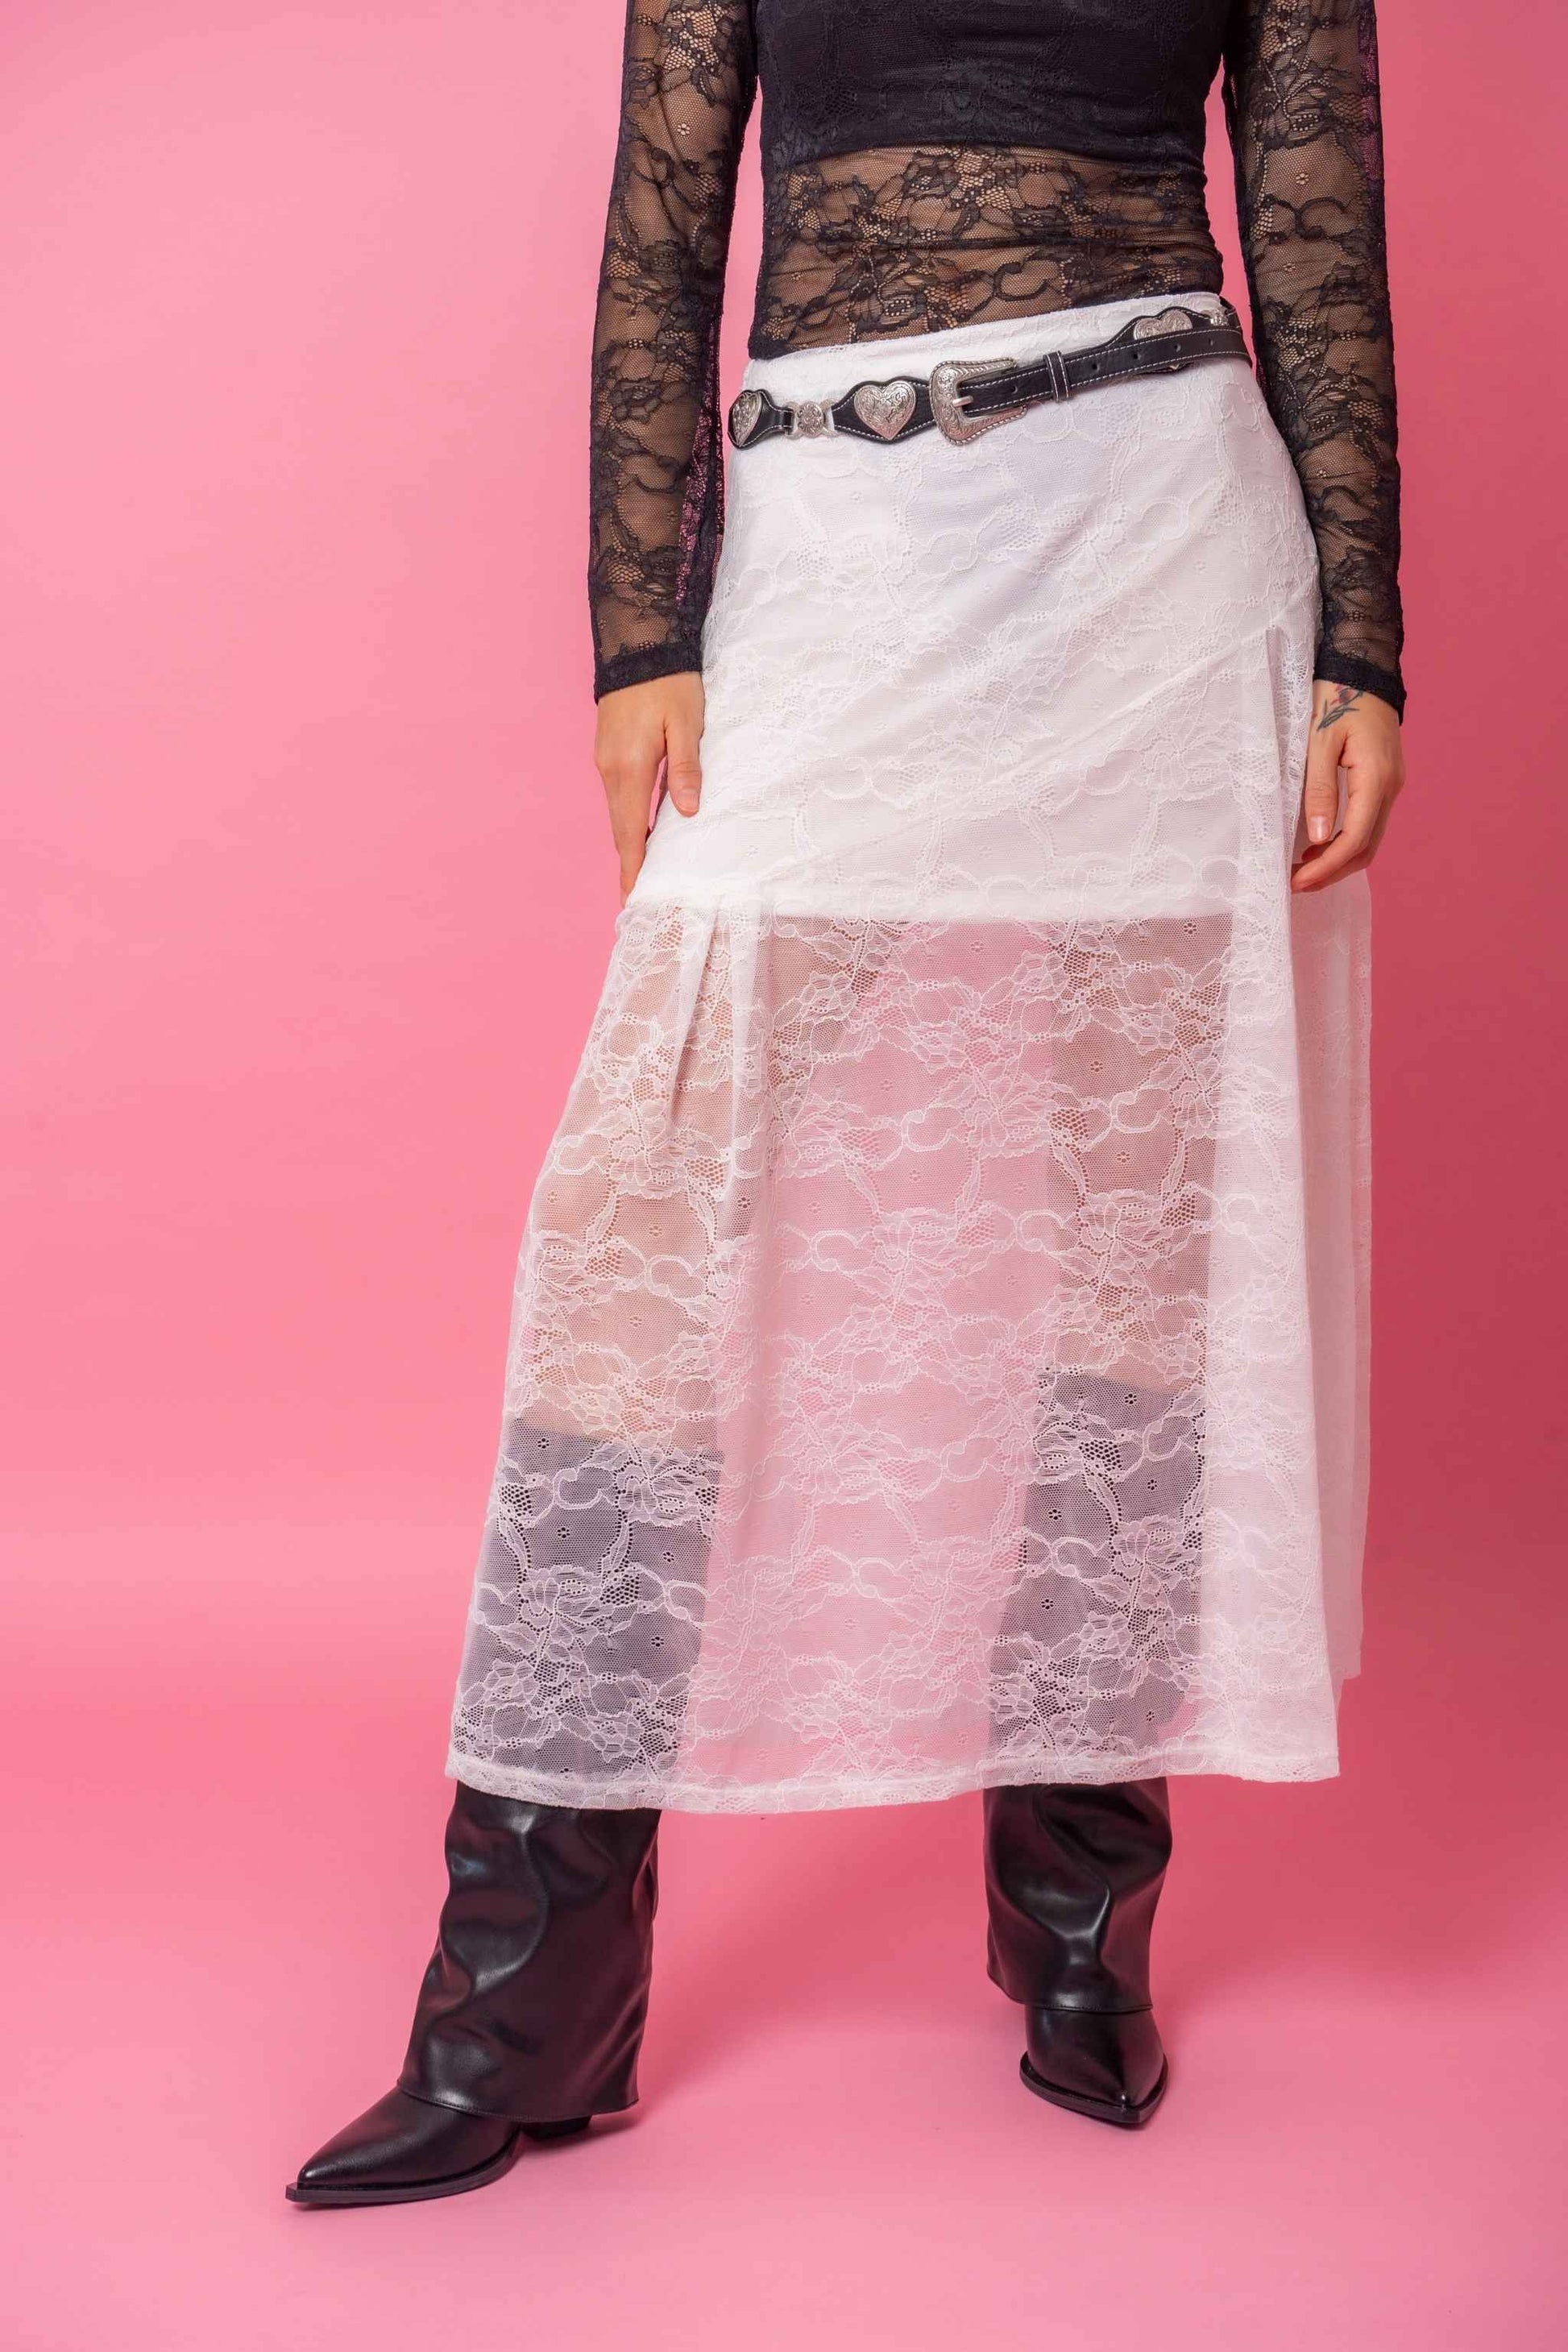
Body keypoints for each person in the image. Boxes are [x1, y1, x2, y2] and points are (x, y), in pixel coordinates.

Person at [288, 0, 1405, 2207]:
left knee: (1134, 1229)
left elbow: (1319, 238)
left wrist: (1363, 643)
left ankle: (1076, 1930)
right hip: (835, 547)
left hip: (1163, 546)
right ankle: (527, 2006)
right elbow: (660, 235)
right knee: (642, 1211)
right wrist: (641, 634)